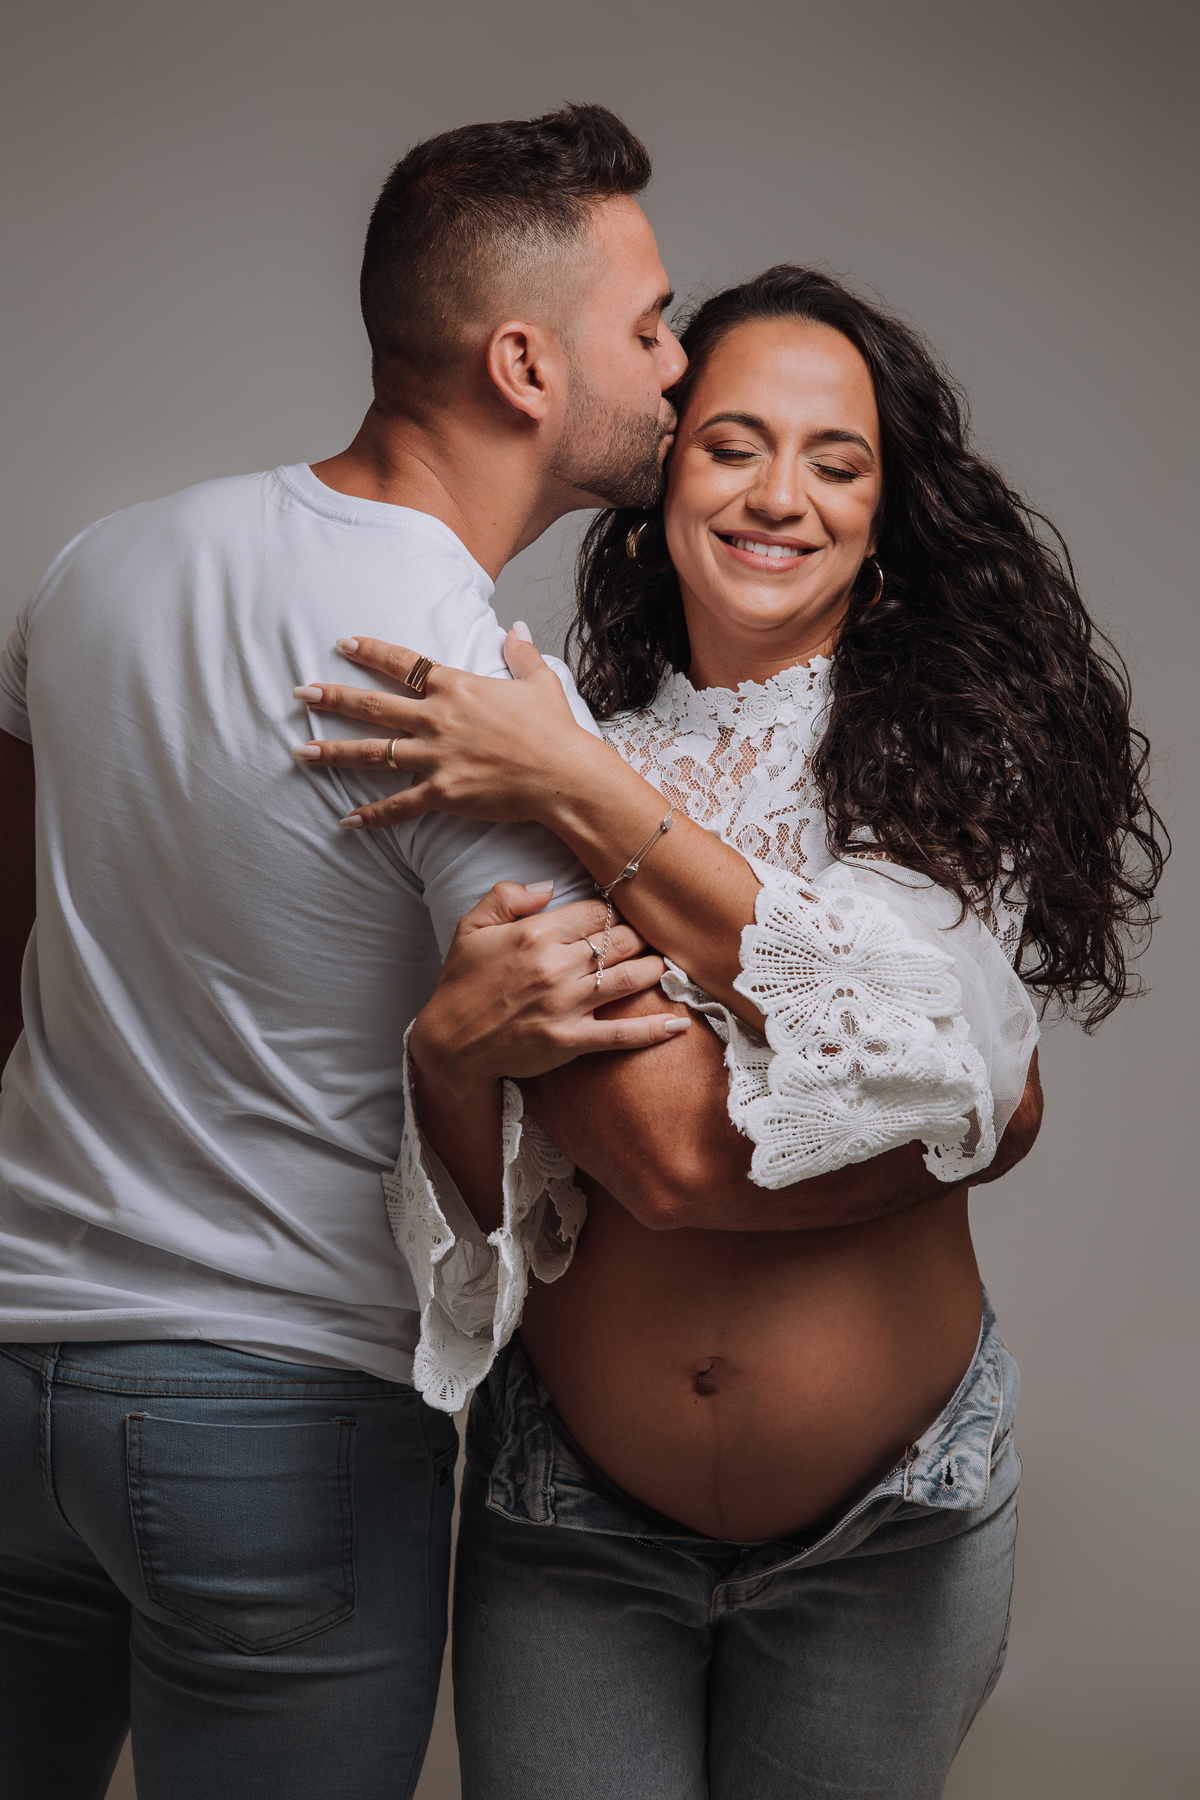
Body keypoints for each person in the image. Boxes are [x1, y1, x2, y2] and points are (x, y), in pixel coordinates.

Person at [299, 266, 1165, 1798]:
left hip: (890, 1522)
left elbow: (902, 1051)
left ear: (887, 519)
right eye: (732, 445)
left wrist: (580, 799)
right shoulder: (570, 742)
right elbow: (524, 1206)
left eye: (838, 464)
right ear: (659, 484)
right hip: (574, 1517)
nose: (780, 497)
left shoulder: (943, 759)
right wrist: (452, 1059)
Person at [0, 103, 698, 1800]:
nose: (679, 367)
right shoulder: (472, 684)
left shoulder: (101, 563)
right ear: (524, 366)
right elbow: (642, 1137)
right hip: (274, 1417)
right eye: (651, 327)